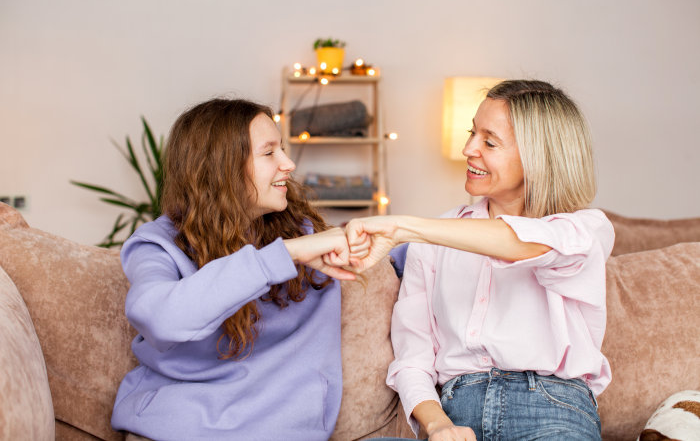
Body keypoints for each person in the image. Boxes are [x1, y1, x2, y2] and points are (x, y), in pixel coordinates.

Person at [346, 80, 614, 441]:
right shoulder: (433, 238)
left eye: (489, 142)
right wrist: (438, 424)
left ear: (537, 157)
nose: (468, 149)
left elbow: (522, 243)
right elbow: (412, 357)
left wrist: (404, 227)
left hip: (552, 409)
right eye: (472, 133)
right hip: (456, 411)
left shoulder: (585, 230)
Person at [110, 98, 364, 441]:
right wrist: (284, 256)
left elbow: (414, 255)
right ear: (222, 168)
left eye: (283, 149)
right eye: (269, 152)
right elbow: (159, 317)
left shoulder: (306, 236)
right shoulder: (158, 245)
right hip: (172, 429)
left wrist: (408, 231)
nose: (288, 164)